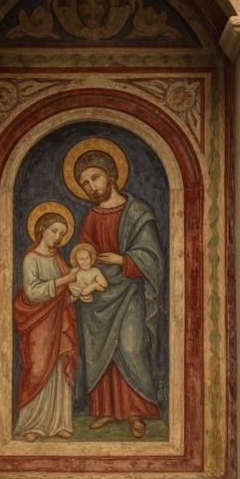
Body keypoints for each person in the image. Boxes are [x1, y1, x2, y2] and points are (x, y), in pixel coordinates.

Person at [72, 148, 163, 438]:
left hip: (128, 292)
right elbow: (82, 252)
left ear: (111, 175)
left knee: (130, 347)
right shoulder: (90, 216)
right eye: (85, 183)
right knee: (100, 351)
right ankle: (106, 410)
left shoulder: (137, 212)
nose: (92, 187)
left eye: (95, 178)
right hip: (97, 296)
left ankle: (137, 411)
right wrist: (84, 274)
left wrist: (123, 261)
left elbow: (152, 256)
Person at [13, 211, 78, 441]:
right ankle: (32, 424)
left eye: (62, 233)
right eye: (54, 231)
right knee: (38, 368)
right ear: (42, 230)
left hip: (58, 322)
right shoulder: (32, 258)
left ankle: (59, 422)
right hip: (38, 324)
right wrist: (64, 281)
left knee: (59, 367)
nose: (58, 237)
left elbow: (64, 296)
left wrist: (79, 294)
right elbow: (32, 293)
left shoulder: (58, 258)